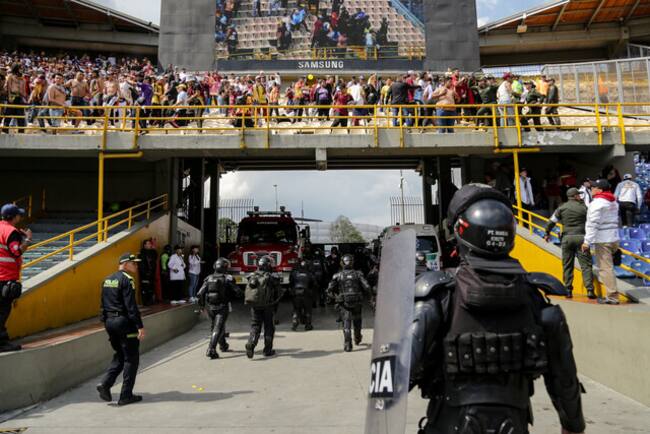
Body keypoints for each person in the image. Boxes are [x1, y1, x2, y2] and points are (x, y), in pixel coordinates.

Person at [409, 184, 585, 434]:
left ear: (459, 231)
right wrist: (573, 426)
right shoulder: (535, 296)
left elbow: (400, 371)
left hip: (448, 424)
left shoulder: (439, 295)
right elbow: (564, 377)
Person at [96, 253, 146, 406]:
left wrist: (105, 321)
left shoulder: (107, 279)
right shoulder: (127, 279)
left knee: (120, 354)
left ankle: (105, 383)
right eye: (133, 263)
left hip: (110, 322)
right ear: (124, 264)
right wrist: (139, 326)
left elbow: (102, 303)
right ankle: (126, 395)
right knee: (131, 358)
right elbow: (131, 306)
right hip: (124, 323)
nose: (136, 266)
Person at [545, 188, 596, 299]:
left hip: (567, 239)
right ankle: (590, 290)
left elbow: (552, 221)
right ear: (575, 196)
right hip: (582, 238)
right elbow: (592, 221)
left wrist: (547, 233)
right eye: (579, 195)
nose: (580, 197)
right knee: (586, 265)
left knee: (567, 265)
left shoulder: (561, 208)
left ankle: (568, 290)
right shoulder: (584, 207)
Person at [0, 204, 32, 353]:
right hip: (5, 277)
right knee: (2, 311)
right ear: (13, 217)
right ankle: (1, 343)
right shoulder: (11, 231)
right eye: (19, 215)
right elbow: (16, 252)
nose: (20, 217)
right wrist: (28, 240)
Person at [583, 179, 621, 305]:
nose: (591, 189)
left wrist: (587, 241)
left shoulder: (597, 203)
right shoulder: (613, 201)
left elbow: (592, 223)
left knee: (605, 269)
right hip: (614, 237)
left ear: (599, 190)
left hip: (603, 239)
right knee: (609, 267)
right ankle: (612, 294)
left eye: (593, 187)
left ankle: (612, 297)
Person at [327, 254, 372, 352]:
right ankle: (357, 338)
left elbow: (329, 290)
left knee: (346, 323)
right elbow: (367, 287)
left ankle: (348, 345)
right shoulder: (358, 274)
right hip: (357, 301)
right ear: (352, 262)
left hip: (344, 302)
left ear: (342, 263)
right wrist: (370, 298)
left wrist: (336, 298)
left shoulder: (337, 275)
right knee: (357, 321)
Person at [197, 258, 240, 359]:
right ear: (225, 267)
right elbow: (238, 292)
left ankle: (223, 345)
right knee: (218, 327)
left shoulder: (208, 278)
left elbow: (199, 294)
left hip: (210, 307)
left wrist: (202, 306)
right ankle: (211, 349)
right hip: (222, 306)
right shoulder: (227, 278)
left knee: (217, 326)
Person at [244, 255, 281, 358]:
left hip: (255, 305)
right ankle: (267, 350)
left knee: (255, 326)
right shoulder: (272, 277)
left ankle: (251, 344)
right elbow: (278, 292)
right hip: (268, 306)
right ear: (267, 265)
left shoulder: (251, 276)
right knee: (269, 327)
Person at [290, 259, 316, 331]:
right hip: (306, 293)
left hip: (296, 293)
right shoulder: (310, 274)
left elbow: (291, 282)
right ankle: (308, 325)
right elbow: (314, 284)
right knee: (308, 310)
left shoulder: (294, 273)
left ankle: (295, 321)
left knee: (296, 309)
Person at [138, 239, 157, 306]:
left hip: (152, 274)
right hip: (145, 275)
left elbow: (155, 257)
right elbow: (141, 265)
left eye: (150, 244)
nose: (149, 245)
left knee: (151, 288)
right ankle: (145, 302)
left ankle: (150, 301)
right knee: (145, 288)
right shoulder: (142, 253)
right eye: (148, 244)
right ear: (144, 245)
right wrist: (145, 273)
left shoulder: (152, 252)